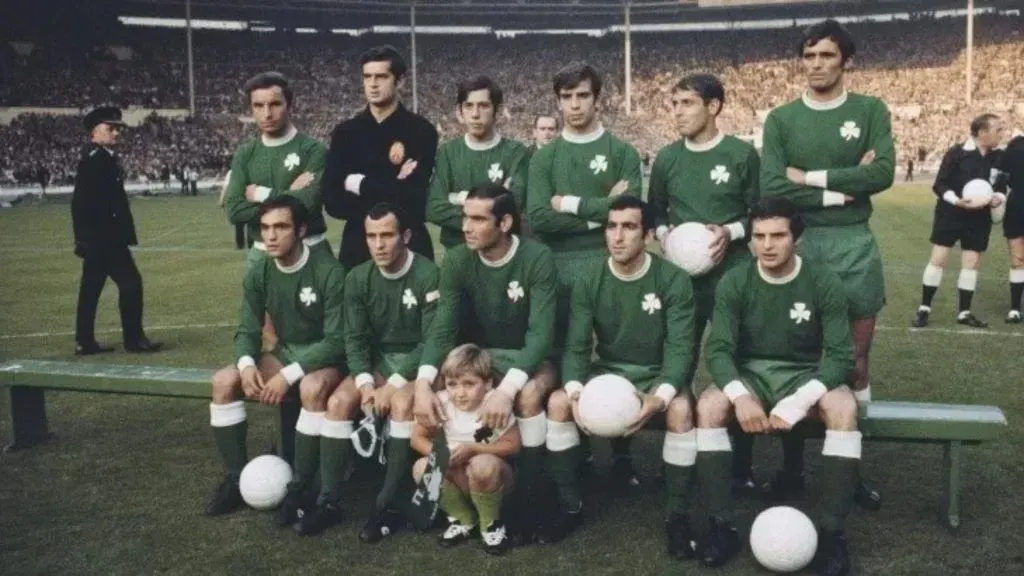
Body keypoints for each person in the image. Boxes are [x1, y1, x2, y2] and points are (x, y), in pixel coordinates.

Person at [759, 19, 892, 508]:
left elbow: (882, 173)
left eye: (827, 56)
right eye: (810, 56)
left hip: (854, 246)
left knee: (855, 364)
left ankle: (850, 473)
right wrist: (846, 187)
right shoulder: (781, 119)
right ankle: (791, 470)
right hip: (801, 245)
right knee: (798, 362)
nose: (816, 65)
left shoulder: (870, 109)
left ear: (846, 61)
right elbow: (773, 187)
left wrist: (810, 179)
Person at [695, 197, 859, 576]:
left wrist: (799, 402)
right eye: (759, 236)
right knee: (708, 406)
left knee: (844, 408)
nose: (766, 245)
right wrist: (741, 397)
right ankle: (722, 525)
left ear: (796, 239)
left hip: (803, 373)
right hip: (751, 374)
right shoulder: (736, 280)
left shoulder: (823, 281)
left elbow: (839, 357)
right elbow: (718, 350)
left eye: (778, 236)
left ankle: (833, 535)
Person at [545, 196, 697, 552]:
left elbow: (681, 348)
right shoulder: (590, 279)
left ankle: (676, 516)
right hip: (609, 371)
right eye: (611, 226)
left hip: (656, 373)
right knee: (556, 403)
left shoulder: (673, 279)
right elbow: (578, 346)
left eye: (629, 227)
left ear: (646, 235)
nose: (617, 236)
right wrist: (574, 390)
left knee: (680, 411)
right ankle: (570, 505)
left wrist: (659, 397)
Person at [413, 182, 557, 545]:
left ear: (505, 222)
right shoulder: (459, 259)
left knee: (525, 398)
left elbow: (540, 336)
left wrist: (506, 390)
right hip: (482, 356)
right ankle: (454, 492)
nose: (466, 227)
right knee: (437, 389)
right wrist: (420, 383)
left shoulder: (537, 259)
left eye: (478, 219)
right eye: (465, 217)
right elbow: (443, 327)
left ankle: (531, 495)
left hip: (530, 357)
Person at [526, 62, 643, 486]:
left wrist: (569, 204)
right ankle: (570, 449)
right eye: (566, 97)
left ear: (598, 99)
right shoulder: (545, 158)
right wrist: (599, 211)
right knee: (561, 356)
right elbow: (539, 218)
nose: (574, 105)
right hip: (557, 268)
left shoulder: (623, 153)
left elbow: (628, 212)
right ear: (558, 102)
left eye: (582, 96)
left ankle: (624, 451)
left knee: (618, 353)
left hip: (610, 266)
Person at [205, 196, 347, 532]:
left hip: (325, 357)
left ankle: (300, 488)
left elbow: (337, 340)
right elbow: (247, 328)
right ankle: (237, 479)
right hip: (285, 353)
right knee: (223, 382)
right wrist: (244, 363)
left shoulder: (329, 271)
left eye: (280, 227)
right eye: (265, 228)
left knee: (312, 388)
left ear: (300, 230)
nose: (270, 236)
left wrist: (288, 374)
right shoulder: (259, 270)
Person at [648, 73, 760, 491]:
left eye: (687, 103)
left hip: (732, 276)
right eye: (674, 104)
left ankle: (741, 462)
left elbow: (761, 214)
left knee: (736, 358)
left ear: (713, 107)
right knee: (679, 359)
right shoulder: (666, 158)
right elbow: (656, 210)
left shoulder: (741, 155)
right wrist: (667, 238)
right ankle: (680, 453)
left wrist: (728, 233)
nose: (678, 112)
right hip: (681, 281)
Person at [340, 202, 440, 542]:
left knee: (399, 404)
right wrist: (366, 383)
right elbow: (354, 339)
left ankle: (389, 499)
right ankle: (324, 495)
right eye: (372, 236)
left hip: (421, 365)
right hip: (381, 364)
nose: (379, 244)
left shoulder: (428, 274)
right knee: (340, 401)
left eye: (387, 235)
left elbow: (432, 341)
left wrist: (394, 384)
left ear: (406, 236)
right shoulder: (356, 278)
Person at [322, 45, 439, 270]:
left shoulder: (421, 131)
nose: (373, 84)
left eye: (381, 76)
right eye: (367, 76)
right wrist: (393, 184)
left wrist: (358, 183)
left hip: (410, 244)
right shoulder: (345, 133)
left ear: (400, 81)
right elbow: (333, 202)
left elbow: (414, 197)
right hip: (357, 246)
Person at [411, 344, 521, 555]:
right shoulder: (442, 401)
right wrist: (440, 455)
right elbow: (417, 438)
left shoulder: (493, 403)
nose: (460, 393)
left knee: (483, 464)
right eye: (452, 384)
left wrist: (473, 449)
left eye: (469, 384)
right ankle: (463, 519)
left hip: (491, 479)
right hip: (456, 474)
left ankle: (490, 524)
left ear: (488, 383)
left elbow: (513, 445)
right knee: (421, 467)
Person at [71, 106, 161, 355]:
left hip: (100, 239)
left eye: (118, 128)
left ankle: (85, 341)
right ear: (93, 133)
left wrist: (84, 239)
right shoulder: (96, 161)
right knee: (131, 284)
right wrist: (85, 237)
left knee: (91, 289)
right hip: (105, 239)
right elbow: (81, 203)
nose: (116, 132)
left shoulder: (102, 158)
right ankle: (134, 339)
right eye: (110, 128)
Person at [913, 114, 1006, 328]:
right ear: (982, 132)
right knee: (938, 259)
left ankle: (964, 312)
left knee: (971, 264)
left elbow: (1001, 186)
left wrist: (997, 198)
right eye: (998, 130)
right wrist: (957, 201)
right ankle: (924, 309)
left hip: (979, 218)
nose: (1002, 134)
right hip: (951, 213)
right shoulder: (957, 153)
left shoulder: (1000, 157)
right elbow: (939, 185)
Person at [427, 76, 528, 250]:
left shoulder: (516, 152)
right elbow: (434, 209)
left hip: (501, 254)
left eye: (483, 106)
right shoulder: (448, 152)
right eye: (468, 106)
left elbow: (514, 207)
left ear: (497, 110)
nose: (475, 114)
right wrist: (490, 215)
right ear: (459, 112)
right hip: (457, 253)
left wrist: (457, 198)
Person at [998, 125, 1024, 322]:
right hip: (1017, 207)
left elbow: (1002, 179)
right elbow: (1002, 177)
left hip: (1016, 205)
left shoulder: (1013, 146)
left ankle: (1015, 309)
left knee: (1018, 260)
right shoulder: (1014, 147)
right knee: (1018, 259)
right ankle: (1015, 308)